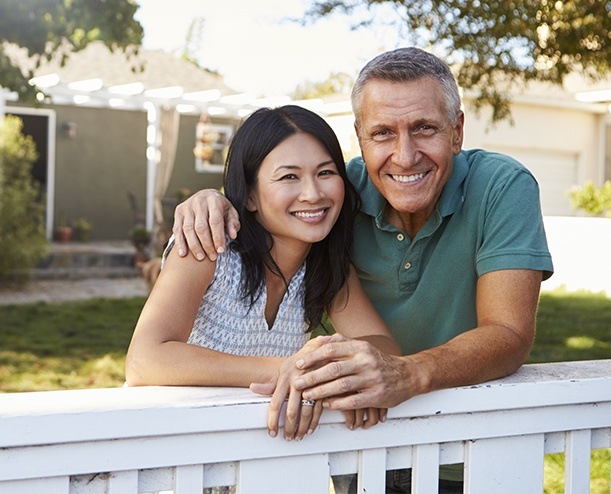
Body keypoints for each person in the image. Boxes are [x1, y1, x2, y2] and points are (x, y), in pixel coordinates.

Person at [172, 47, 554, 491]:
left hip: (471, 451)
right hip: (364, 443)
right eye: (383, 133)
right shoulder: (337, 195)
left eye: (425, 128)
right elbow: (273, 192)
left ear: (457, 131)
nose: (405, 155)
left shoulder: (502, 187)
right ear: (360, 137)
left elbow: (508, 334)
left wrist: (407, 374)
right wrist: (212, 200)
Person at [125, 105, 401, 442]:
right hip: (170, 446)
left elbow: (387, 349)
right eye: (289, 176)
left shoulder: (327, 266)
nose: (313, 194)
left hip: (256, 454)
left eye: (326, 173)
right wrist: (292, 370)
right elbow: (144, 360)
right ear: (250, 195)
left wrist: (324, 362)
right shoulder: (210, 246)